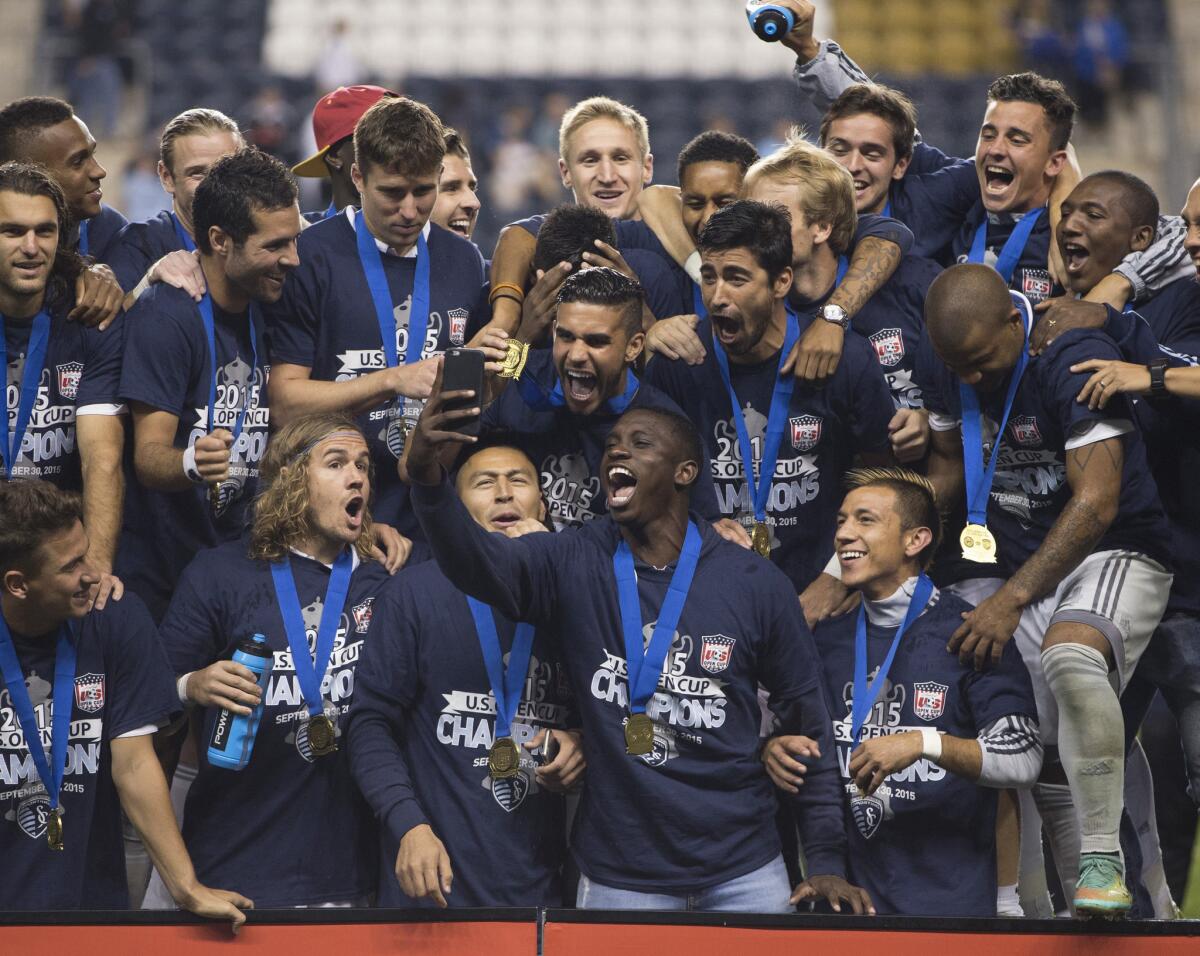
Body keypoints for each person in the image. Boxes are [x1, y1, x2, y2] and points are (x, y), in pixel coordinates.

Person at [405, 387, 872, 914]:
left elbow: (807, 720)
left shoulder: (756, 583)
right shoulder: (573, 558)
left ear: (685, 472)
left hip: (744, 870)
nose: (617, 453)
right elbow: (474, 562)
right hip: (619, 877)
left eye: (640, 443)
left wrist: (827, 860)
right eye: (611, 447)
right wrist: (426, 478)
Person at [920, 263, 1172, 916]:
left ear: (1014, 320)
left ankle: (1105, 863)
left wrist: (1009, 602)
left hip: (1116, 551)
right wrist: (908, 526)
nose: (971, 379)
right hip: (1022, 567)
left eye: (981, 362)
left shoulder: (1070, 354)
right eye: (959, 367)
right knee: (1033, 744)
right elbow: (949, 463)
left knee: (1073, 656)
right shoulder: (943, 356)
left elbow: (1096, 503)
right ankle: (1053, 913)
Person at [779, 0, 1191, 310]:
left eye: (1016, 139)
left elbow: (1178, 234)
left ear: (1054, 162)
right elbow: (873, 124)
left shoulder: (1069, 230)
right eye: (988, 133)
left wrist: (1115, 283)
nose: (995, 148)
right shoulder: (958, 190)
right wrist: (810, 52)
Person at [765, 468, 1041, 915]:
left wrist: (922, 743)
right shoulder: (821, 642)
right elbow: (788, 743)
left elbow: (1024, 758)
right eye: (840, 521)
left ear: (915, 541)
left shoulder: (972, 634)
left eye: (865, 520)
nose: (844, 534)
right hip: (852, 912)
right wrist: (772, 748)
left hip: (952, 916)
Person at [153, 415, 392, 907]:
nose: (357, 477)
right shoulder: (219, 572)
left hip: (350, 875)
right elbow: (145, 701)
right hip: (232, 867)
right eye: (337, 463)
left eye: (364, 466)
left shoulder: (386, 576)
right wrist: (190, 686)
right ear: (290, 478)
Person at [0, 480, 249, 925]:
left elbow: (134, 765)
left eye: (87, 552)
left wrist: (185, 886)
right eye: (71, 565)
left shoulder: (115, 618)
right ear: (18, 585)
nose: (93, 573)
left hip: (90, 910)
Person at [348, 438, 583, 907]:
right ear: (453, 506)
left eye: (518, 480)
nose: (503, 493)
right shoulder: (414, 594)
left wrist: (583, 739)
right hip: (430, 889)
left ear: (543, 502)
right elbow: (369, 723)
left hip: (539, 894)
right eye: (483, 482)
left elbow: (611, 702)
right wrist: (407, 824)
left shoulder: (573, 596)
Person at [644, 199, 893, 604]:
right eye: (709, 277)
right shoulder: (680, 363)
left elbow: (884, 482)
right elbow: (653, 487)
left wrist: (837, 578)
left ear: (781, 282)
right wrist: (698, 526)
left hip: (821, 597)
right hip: (710, 598)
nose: (717, 297)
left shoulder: (845, 360)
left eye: (737, 279)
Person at [265, 95, 493, 535]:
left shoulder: (465, 260)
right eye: (392, 192)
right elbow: (284, 403)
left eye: (423, 191)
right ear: (358, 176)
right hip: (327, 517)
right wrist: (392, 379)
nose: (409, 211)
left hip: (430, 513)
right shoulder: (310, 256)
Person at [117, 148, 300, 622]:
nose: (292, 259)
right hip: (165, 577)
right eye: (275, 245)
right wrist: (191, 462)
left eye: (294, 241)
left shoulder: (270, 301)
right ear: (220, 240)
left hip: (241, 565)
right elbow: (148, 459)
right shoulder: (167, 314)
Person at [478, 267, 725, 536]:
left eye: (596, 342)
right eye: (566, 336)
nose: (576, 355)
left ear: (633, 347)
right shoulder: (514, 382)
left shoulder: (668, 430)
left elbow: (696, 539)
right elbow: (443, 469)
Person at [0, 162, 125, 606]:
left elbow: (101, 458)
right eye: (12, 232)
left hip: (54, 555)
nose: (31, 247)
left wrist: (95, 567)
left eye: (44, 231)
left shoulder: (90, 321)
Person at [0, 96, 127, 328]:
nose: (99, 171)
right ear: (25, 174)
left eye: (92, 154)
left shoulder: (112, 232)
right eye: (78, 161)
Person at [108, 108, 244, 294]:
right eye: (198, 173)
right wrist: (146, 283)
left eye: (228, 169)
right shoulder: (137, 246)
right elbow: (111, 321)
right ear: (167, 177)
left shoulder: (270, 241)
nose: (216, 185)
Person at [292, 85, 398, 222]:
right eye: (377, 139)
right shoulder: (297, 238)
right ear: (334, 156)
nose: (396, 150)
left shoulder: (426, 233)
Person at [430, 128, 481, 245]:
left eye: (472, 188)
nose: (475, 203)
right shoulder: (380, 262)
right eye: (452, 188)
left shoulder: (497, 264)